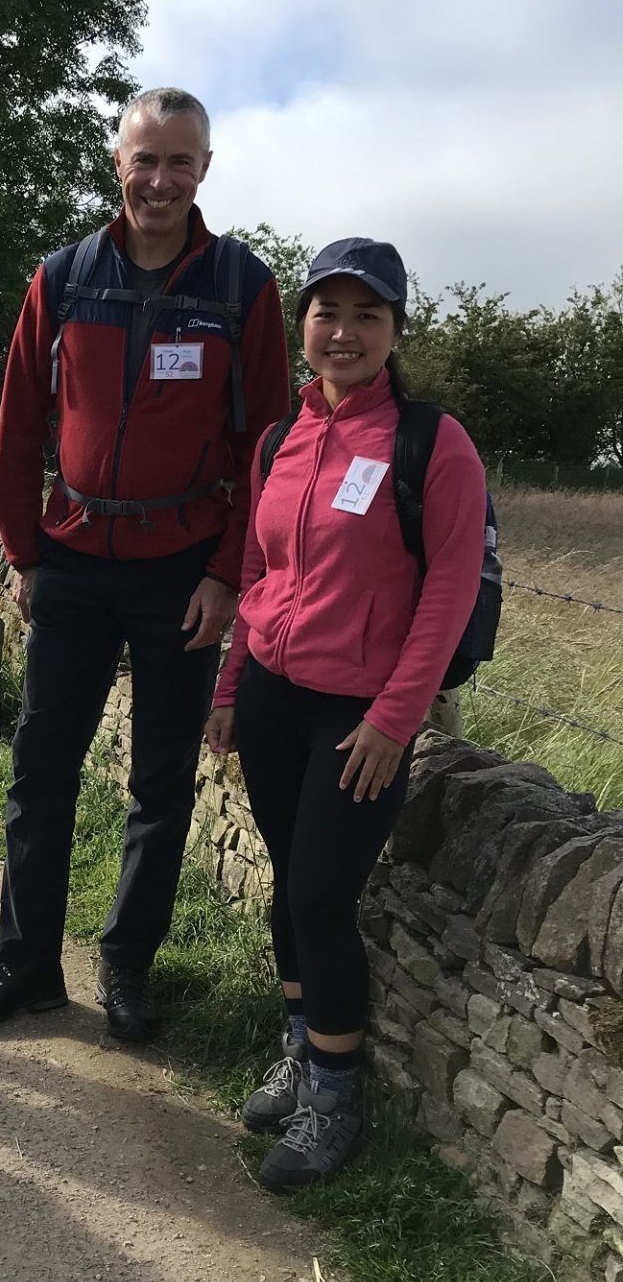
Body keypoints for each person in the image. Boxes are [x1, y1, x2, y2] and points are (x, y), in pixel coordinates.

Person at [0, 88, 291, 1038]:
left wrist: (228, 574)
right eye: (146, 159)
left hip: (182, 569)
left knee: (161, 781)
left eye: (180, 162)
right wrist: (22, 550)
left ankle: (127, 966)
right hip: (74, 560)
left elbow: (267, 445)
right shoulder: (62, 277)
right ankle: (24, 966)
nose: (161, 181)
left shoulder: (243, 290)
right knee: (38, 769)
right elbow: (18, 426)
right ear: (118, 164)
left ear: (204, 171)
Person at [204, 239, 486, 1191]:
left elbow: (446, 594)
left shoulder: (430, 442)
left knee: (321, 895)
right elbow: (257, 573)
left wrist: (394, 719)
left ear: (396, 331)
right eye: (328, 312)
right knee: (291, 881)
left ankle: (335, 1095)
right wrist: (235, 687)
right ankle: (299, 1047)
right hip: (277, 696)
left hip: (361, 714)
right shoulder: (279, 442)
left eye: (368, 315)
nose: (344, 332)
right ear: (304, 327)